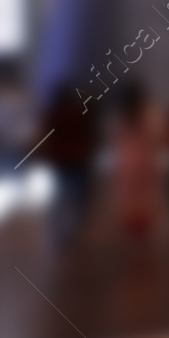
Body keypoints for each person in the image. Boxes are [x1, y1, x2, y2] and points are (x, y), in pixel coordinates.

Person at [39, 83, 98, 246]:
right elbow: (89, 130)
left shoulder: (53, 114)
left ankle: (61, 233)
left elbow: (46, 136)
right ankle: (72, 232)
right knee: (78, 199)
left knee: (62, 197)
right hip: (78, 158)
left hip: (61, 160)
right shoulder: (77, 113)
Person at [113, 83, 163, 241]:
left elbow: (116, 138)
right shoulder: (148, 113)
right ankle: (141, 235)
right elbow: (157, 136)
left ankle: (132, 234)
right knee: (145, 199)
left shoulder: (122, 116)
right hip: (145, 161)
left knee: (129, 199)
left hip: (127, 162)